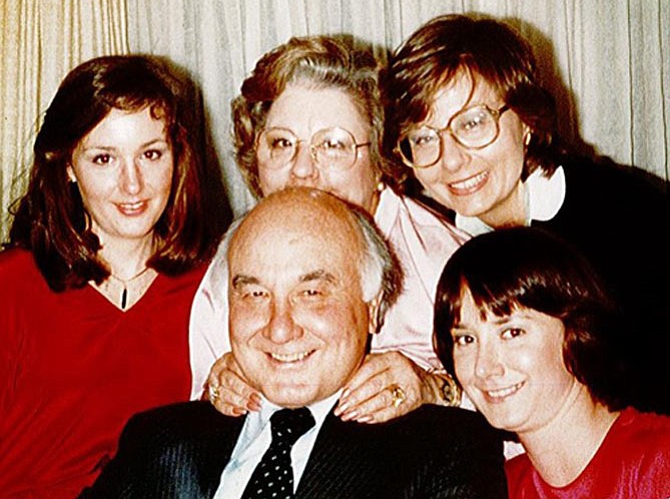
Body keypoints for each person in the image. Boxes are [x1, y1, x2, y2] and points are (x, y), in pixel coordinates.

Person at [79, 187, 506, 499]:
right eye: (255, 294)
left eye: (312, 293)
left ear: (373, 307)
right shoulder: (157, 439)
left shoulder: (442, 449)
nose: (279, 328)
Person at [384, 13, 669, 413]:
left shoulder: (630, 215)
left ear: (527, 121)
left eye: (472, 123)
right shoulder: (440, 240)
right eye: (424, 138)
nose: (449, 161)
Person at [190, 35, 469, 423]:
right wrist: (217, 391)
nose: (303, 169)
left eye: (334, 145)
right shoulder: (232, 262)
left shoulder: (448, 266)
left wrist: (434, 388)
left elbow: (524, 416)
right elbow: (200, 432)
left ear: (381, 158)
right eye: (282, 143)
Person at [0, 55, 219, 497]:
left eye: (151, 154)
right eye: (104, 159)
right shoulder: (12, 286)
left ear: (178, 157)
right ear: (66, 165)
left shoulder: (213, 287)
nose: (133, 184)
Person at [433, 227, 670, 499]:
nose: (484, 368)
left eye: (512, 332)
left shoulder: (659, 463)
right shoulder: (496, 488)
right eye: (465, 339)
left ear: (576, 331)